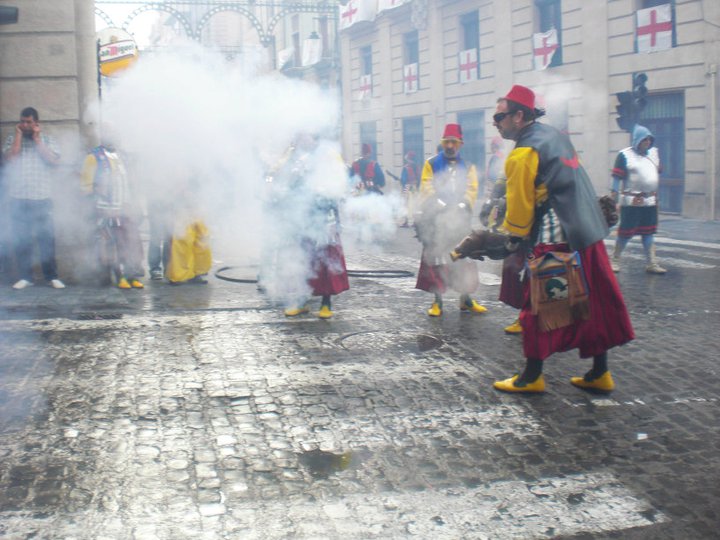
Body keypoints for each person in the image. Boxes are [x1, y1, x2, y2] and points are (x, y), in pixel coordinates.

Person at [490, 84, 634, 393]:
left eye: (499, 117)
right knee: (593, 301)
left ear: (518, 116)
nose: (496, 123)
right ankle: (600, 372)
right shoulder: (555, 136)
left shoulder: (523, 153)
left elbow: (520, 209)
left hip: (556, 236)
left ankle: (531, 377)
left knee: (543, 304)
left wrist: (512, 239)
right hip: (587, 230)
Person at [263, 133, 349, 319]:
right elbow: (286, 183)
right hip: (302, 217)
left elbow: (338, 185)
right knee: (303, 260)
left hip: (325, 217)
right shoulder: (297, 157)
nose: (300, 141)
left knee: (326, 262)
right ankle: (301, 301)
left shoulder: (328, 155)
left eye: (304, 136)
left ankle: (326, 304)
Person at [414, 123, 487, 317]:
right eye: (447, 142)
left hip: (460, 219)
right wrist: (441, 205)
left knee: (464, 259)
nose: (450, 146)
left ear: (460, 144)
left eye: (453, 142)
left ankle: (466, 299)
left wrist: (463, 204)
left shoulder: (468, 166)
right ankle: (437, 301)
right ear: (442, 142)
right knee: (436, 260)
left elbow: (472, 189)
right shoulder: (431, 164)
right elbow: (426, 187)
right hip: (436, 220)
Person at [2, 107, 65, 289]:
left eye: (29, 122)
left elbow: (53, 161)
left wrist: (37, 139)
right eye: (22, 122)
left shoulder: (47, 140)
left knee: (46, 238)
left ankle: (51, 276)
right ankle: (25, 277)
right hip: (19, 197)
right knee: (22, 240)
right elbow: (10, 159)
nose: (25, 125)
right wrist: (18, 136)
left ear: (36, 123)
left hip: (42, 196)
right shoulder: (12, 139)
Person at [80, 142, 144, 289]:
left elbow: (131, 183)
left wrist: (135, 204)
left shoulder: (123, 156)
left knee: (130, 241)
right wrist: (98, 197)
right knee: (112, 244)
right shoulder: (93, 157)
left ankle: (131, 275)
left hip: (125, 207)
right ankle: (120, 276)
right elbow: (85, 187)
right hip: (106, 208)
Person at [610, 124, 666, 274]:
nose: (647, 142)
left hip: (650, 201)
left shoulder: (653, 153)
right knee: (625, 232)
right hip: (631, 202)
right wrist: (614, 198)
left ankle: (651, 263)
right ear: (637, 140)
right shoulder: (624, 155)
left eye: (649, 139)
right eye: (644, 139)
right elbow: (616, 178)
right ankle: (615, 260)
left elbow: (657, 172)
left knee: (648, 232)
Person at [479, 175, 525, 334]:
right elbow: (500, 188)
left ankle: (527, 317)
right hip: (520, 225)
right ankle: (525, 315)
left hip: (536, 226)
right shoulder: (511, 171)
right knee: (515, 270)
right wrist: (490, 207)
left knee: (530, 274)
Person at [399, 150, 420, 227]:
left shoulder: (406, 168)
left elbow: (403, 180)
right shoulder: (417, 167)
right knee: (414, 204)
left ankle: (406, 221)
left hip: (407, 187)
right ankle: (414, 222)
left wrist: (401, 181)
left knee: (405, 204)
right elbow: (419, 178)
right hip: (414, 187)